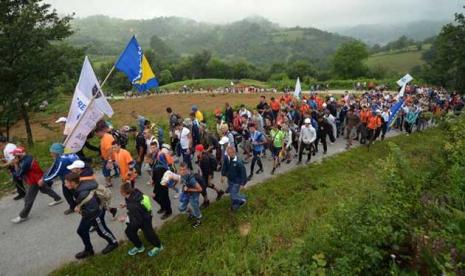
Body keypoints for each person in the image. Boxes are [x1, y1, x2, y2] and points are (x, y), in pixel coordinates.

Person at [64, 173, 118, 259]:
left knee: (102, 231)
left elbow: (93, 210)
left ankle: (113, 243)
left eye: (66, 182)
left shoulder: (83, 193)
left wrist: (79, 210)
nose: (65, 184)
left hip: (96, 214)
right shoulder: (79, 187)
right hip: (89, 213)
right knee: (81, 231)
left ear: (73, 183)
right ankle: (89, 250)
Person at [10, 147, 63, 223]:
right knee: (45, 190)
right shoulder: (26, 158)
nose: (14, 157)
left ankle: (23, 216)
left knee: (28, 198)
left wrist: (15, 164)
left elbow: (18, 174)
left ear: (19, 155)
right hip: (37, 178)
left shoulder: (26, 162)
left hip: (34, 181)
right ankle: (58, 198)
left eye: (15, 155)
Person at [119, 182, 164, 257]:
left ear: (124, 193)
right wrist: (126, 205)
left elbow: (137, 219)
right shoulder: (135, 192)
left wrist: (125, 219)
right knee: (129, 231)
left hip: (144, 219)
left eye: (121, 191)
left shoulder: (133, 205)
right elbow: (136, 204)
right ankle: (140, 246)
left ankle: (158, 246)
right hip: (143, 214)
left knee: (149, 234)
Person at [41, 143, 79, 215]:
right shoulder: (60, 157)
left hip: (71, 179)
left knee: (76, 193)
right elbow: (53, 168)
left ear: (56, 152)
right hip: (66, 179)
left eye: (52, 152)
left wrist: (44, 180)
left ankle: (84, 206)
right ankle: (73, 207)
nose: (51, 154)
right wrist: (45, 177)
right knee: (67, 194)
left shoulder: (62, 160)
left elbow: (56, 173)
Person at [221, 146, 247, 211]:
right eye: (227, 153)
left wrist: (242, 184)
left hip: (236, 182)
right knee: (233, 193)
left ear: (233, 152)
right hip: (230, 180)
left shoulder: (239, 163)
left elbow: (243, 174)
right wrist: (223, 175)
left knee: (233, 195)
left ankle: (243, 199)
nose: (228, 154)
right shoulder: (227, 158)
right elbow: (224, 166)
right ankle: (236, 204)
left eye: (229, 153)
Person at [178, 162, 203, 228]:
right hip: (187, 193)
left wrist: (188, 189)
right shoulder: (181, 175)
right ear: (179, 170)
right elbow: (182, 182)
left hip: (194, 195)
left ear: (187, 169)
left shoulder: (192, 179)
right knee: (181, 208)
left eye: (184, 169)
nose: (182, 171)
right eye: (181, 170)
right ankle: (191, 213)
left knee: (195, 208)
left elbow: (200, 189)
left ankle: (198, 220)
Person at [151, 149, 172, 220]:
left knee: (164, 198)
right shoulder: (160, 166)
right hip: (161, 185)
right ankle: (163, 207)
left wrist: (154, 191)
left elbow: (158, 181)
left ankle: (168, 211)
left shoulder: (159, 168)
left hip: (162, 186)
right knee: (162, 198)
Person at [95, 122, 116, 187]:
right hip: (108, 158)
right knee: (106, 170)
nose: (96, 136)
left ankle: (109, 183)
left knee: (105, 171)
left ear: (100, 132)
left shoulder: (106, 138)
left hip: (109, 158)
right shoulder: (106, 136)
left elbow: (110, 149)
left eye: (96, 134)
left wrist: (109, 161)